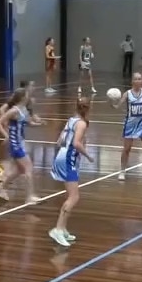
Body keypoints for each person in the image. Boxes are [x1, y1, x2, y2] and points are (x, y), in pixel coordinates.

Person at [49, 98, 94, 247]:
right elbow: (76, 143)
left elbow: (59, 141)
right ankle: (58, 229)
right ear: (88, 109)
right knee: (74, 197)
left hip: (62, 155)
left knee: (72, 195)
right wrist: (88, 155)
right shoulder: (81, 123)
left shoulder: (71, 120)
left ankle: (63, 229)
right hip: (68, 158)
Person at [0, 88, 43, 204]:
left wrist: (39, 124)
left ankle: (1, 187)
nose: (29, 96)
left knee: (19, 170)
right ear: (22, 98)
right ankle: (30, 197)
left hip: (21, 142)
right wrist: (6, 136)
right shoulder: (14, 111)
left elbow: (28, 123)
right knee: (28, 168)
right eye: (27, 95)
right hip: (15, 144)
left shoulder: (23, 110)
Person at [113, 72, 142, 180]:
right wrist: (112, 102)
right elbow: (117, 106)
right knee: (127, 149)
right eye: (136, 79)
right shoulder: (127, 94)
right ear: (132, 81)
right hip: (130, 124)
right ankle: (122, 171)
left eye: (140, 79)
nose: (139, 81)